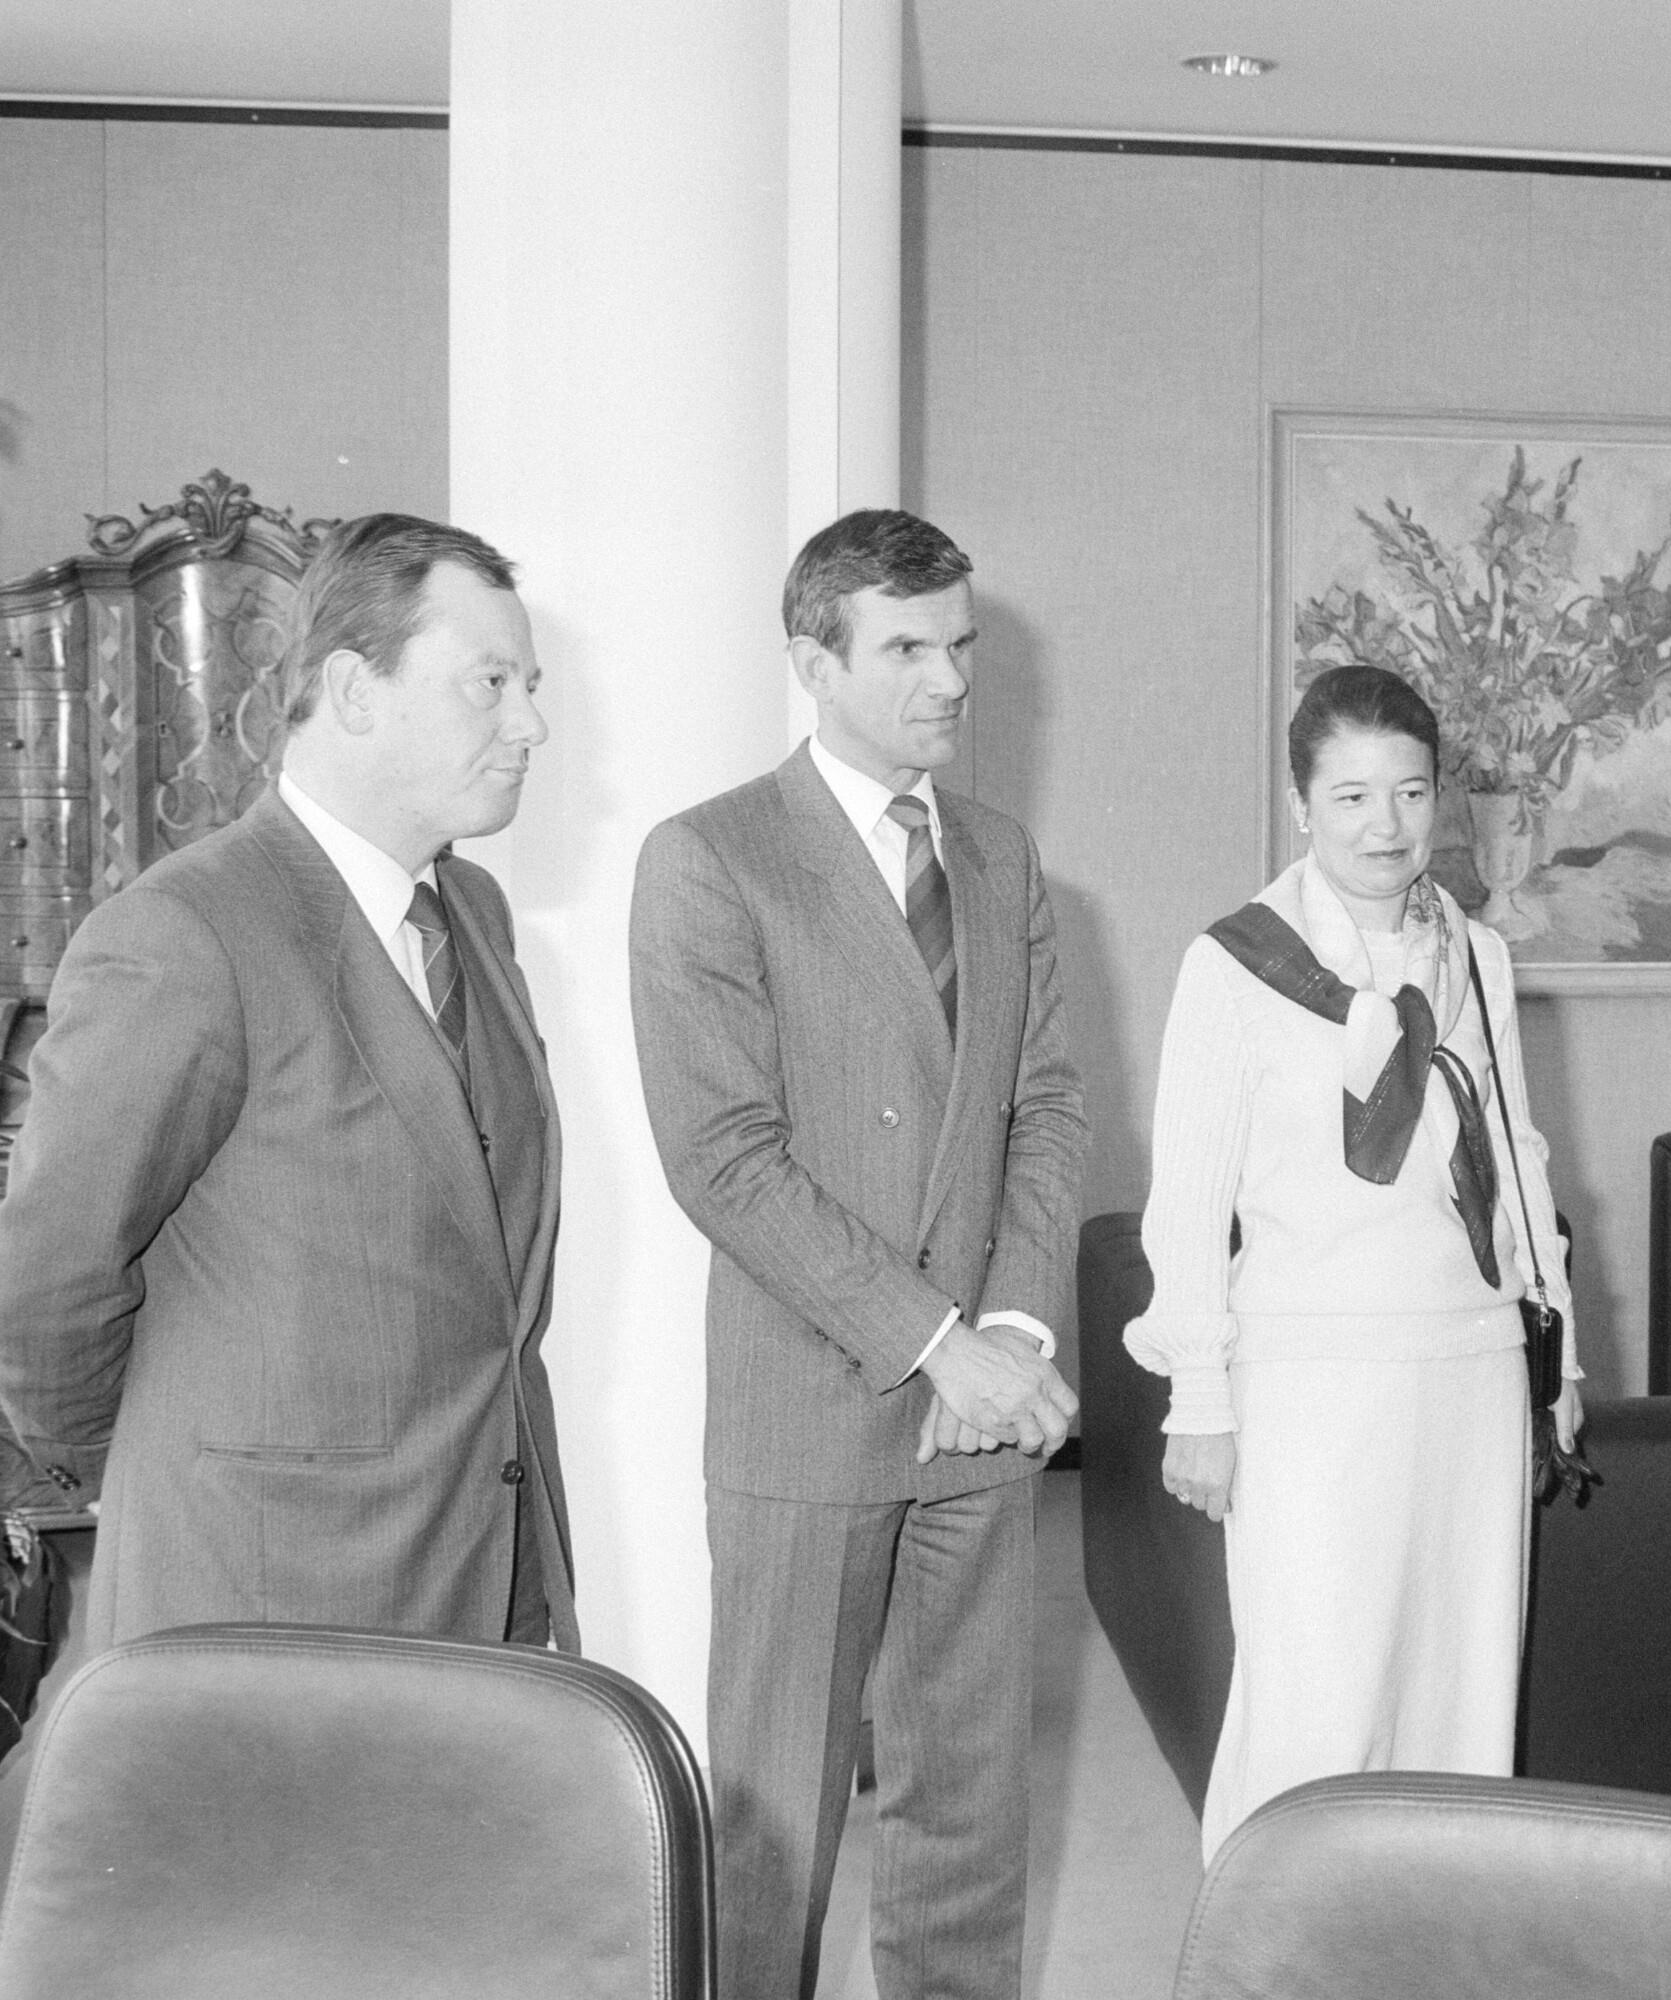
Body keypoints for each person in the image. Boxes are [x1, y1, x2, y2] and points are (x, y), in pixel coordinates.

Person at [0, 512, 571, 1652]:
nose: (530, 722)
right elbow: (42, 1287)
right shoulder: (186, 931)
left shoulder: (475, 915)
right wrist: (164, 1482)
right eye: (490, 682)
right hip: (263, 1612)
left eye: (528, 685)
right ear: (353, 689)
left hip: (480, 1586)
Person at [629, 510, 1084, 2000]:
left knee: (969, 1821)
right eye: (906, 648)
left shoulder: (1002, 857)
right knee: (771, 1837)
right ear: (813, 663)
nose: (950, 679)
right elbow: (724, 1158)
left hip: (979, 1418)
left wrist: (1014, 1333)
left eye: (960, 644)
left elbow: (1047, 1108)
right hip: (812, 1408)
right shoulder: (710, 857)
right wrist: (937, 1341)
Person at [1127, 662, 1579, 1862]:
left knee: (1462, 1688)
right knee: (1314, 1698)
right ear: (1300, 804)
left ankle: (1428, 1941)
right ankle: (1269, 1941)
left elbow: (1519, 1158)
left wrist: (1562, 1359)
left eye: (1412, 792)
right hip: (1312, 1379)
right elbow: (1188, 1199)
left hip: (1472, 1363)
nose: (1387, 825)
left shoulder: (1475, 954)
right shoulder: (1234, 963)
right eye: (1352, 796)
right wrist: (1198, 1398)